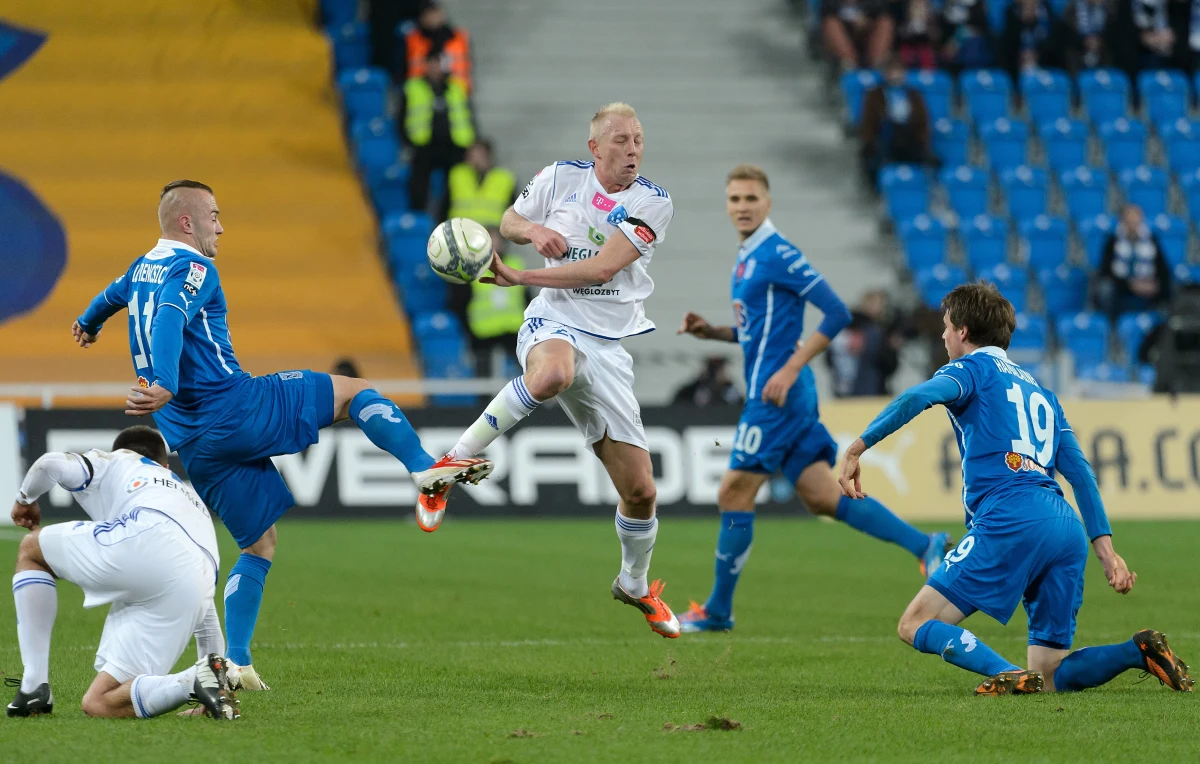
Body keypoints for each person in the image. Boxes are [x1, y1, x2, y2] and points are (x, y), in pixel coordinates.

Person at [71, 180, 492, 690]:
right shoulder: (195, 266)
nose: (221, 226)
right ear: (187, 222)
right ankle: (423, 467)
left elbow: (111, 296)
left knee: (258, 545)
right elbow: (169, 317)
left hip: (193, 441)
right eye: (213, 215)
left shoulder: (141, 268)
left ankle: (238, 663)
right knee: (353, 393)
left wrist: (87, 322)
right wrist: (162, 380)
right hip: (234, 407)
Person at [838, 282, 1194, 695]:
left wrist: (858, 447)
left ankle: (1006, 672)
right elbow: (1080, 476)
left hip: (1010, 516)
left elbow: (917, 397)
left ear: (964, 332)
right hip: (1065, 528)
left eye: (946, 326)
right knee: (1052, 673)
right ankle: (1138, 651)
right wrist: (1108, 553)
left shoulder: (970, 369)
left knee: (914, 623)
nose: (943, 335)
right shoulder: (1043, 393)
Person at [672, 165, 952, 633]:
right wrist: (714, 332)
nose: (742, 206)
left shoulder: (778, 252)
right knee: (822, 496)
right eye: (734, 199)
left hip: (778, 395)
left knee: (732, 491)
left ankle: (718, 610)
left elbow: (838, 311)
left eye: (750, 198)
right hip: (781, 390)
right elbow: (757, 331)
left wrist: (791, 366)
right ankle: (925, 545)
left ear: (768, 202)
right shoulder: (747, 255)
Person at [439, 103, 681, 638]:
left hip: (611, 346)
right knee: (550, 376)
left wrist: (520, 274)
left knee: (641, 492)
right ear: (595, 148)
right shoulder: (559, 176)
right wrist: (531, 229)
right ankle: (451, 462)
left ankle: (634, 584)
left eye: (639, 139)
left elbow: (602, 267)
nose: (633, 149)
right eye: (620, 140)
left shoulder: (652, 202)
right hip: (555, 320)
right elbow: (507, 220)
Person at [7, 426, 237, 720]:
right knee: (100, 703)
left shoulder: (118, 460)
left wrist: (25, 499)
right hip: (198, 579)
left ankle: (33, 686)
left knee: (31, 551)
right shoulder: (188, 498)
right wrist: (214, 677)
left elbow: (49, 464)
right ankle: (190, 681)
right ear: (165, 465)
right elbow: (206, 620)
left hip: (146, 538)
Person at [403, 54, 475, 213]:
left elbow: (468, 115)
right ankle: (418, 217)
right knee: (419, 185)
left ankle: (446, 216)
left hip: (453, 145)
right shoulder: (414, 87)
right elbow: (402, 116)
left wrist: (470, 142)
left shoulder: (456, 88)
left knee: (454, 186)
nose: (436, 68)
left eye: (439, 63)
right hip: (424, 145)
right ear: (426, 65)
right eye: (432, 63)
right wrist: (407, 141)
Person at [860, 57, 936, 190]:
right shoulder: (874, 95)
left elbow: (923, 122)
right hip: (885, 137)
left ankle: (924, 191)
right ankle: (880, 191)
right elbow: (868, 123)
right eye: (891, 71)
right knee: (875, 159)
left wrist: (922, 141)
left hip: (909, 137)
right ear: (884, 74)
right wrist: (871, 143)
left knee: (930, 160)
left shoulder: (914, 95)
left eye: (898, 71)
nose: (895, 75)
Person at [1094, 204, 1172, 322]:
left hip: (1147, 284)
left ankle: (1163, 324)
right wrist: (1130, 284)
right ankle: (1111, 327)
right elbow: (1106, 271)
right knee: (1105, 288)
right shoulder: (1113, 240)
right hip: (1121, 286)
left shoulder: (1151, 240)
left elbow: (1163, 268)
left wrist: (1154, 283)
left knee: (1171, 285)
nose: (1133, 226)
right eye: (1129, 222)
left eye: (1136, 221)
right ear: (1123, 222)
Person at [826, 290, 904, 397]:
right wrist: (892, 349)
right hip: (870, 391)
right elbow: (888, 365)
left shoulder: (841, 328)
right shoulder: (874, 332)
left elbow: (828, 359)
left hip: (844, 391)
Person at [399, 0, 472, 91]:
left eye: (436, 13)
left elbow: (467, 64)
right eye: (429, 14)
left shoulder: (458, 37)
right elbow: (404, 67)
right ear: (422, 17)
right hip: (419, 90)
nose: (433, 18)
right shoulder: (412, 39)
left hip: (456, 89)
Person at [448, 139, 517, 229]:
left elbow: (514, 211)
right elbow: (443, 205)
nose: (475, 159)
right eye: (472, 155)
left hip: (492, 231)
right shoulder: (457, 174)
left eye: (479, 155)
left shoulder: (505, 178)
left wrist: (502, 234)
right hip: (460, 230)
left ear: (488, 155)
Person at [821, 0, 896, 70]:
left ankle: (878, 64)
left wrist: (867, 19)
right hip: (843, 36)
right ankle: (849, 65)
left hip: (868, 34)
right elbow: (827, 13)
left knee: (885, 22)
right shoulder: (831, 3)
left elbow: (882, 10)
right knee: (831, 23)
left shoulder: (872, 3)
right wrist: (850, 21)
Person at [999, 0, 1065, 78]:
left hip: (1043, 59)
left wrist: (1037, 54)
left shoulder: (1047, 10)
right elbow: (1008, 44)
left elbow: (1053, 41)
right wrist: (1023, 22)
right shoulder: (1011, 11)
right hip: (1018, 60)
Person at [939, 0, 994, 71]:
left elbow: (983, 23)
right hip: (956, 37)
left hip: (978, 43)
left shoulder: (978, 4)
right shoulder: (949, 7)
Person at [671, 356, 743, 407]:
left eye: (718, 367)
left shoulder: (729, 390)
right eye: (711, 367)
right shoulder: (691, 391)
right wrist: (697, 382)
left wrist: (727, 384)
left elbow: (741, 407)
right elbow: (677, 406)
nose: (714, 372)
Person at [1063, 0, 1112, 72]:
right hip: (1078, 48)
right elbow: (1067, 31)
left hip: (1100, 47)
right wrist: (1084, 40)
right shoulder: (1073, 7)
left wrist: (1099, 41)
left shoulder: (1105, 8)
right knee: (1070, 55)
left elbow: (1112, 30)